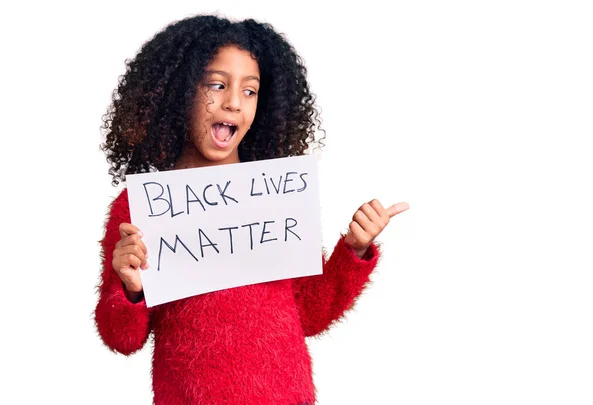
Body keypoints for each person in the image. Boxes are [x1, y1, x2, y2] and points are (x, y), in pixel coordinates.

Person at [94, 14, 409, 405]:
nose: (232, 102)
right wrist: (129, 287)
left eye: (250, 91)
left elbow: (310, 312)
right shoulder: (141, 207)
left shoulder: (275, 199)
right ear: (180, 91)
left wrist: (355, 250)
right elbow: (122, 338)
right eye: (216, 84)